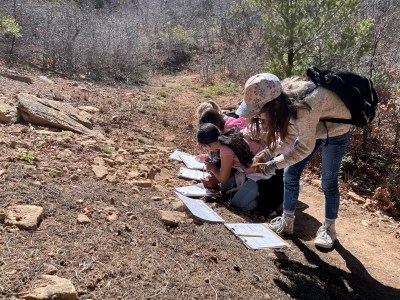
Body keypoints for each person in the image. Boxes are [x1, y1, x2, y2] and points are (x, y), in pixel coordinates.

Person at [235, 73, 351, 249]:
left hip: (336, 130)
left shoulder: (305, 107)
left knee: (328, 182)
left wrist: (273, 164)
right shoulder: (282, 102)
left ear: (273, 105)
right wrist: (267, 154)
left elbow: (304, 148)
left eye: (259, 112)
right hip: (315, 126)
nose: (258, 117)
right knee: (290, 173)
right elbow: (288, 137)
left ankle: (329, 228)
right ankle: (287, 221)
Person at [197, 123, 274, 212]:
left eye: (204, 146)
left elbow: (223, 178)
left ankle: (264, 202)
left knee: (238, 205)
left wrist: (212, 168)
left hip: (263, 176)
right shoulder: (228, 137)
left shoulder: (225, 148)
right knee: (224, 189)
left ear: (208, 145)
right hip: (249, 172)